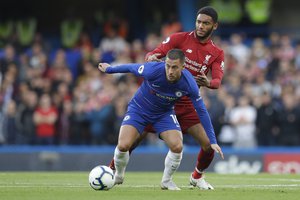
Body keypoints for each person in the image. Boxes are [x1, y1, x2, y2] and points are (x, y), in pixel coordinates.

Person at [109, 6, 225, 190]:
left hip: (186, 103)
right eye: (199, 22)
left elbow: (217, 80)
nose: (201, 26)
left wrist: (209, 82)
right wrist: (151, 56)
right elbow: (155, 53)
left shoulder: (216, 53)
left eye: (206, 23)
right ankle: (110, 172)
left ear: (215, 26)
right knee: (131, 142)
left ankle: (197, 177)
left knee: (208, 145)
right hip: (160, 101)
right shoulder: (179, 38)